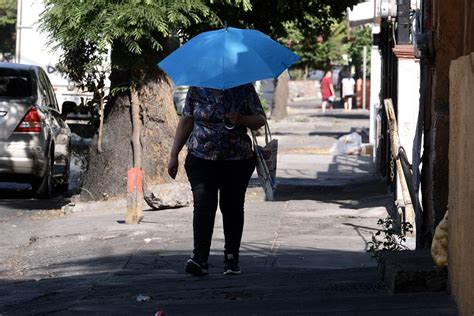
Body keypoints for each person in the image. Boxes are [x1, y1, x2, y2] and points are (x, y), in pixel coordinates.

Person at [167, 83, 266, 276]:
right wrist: (173, 155)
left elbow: (260, 120)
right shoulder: (197, 88)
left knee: (232, 207)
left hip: (237, 160)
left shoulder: (244, 87)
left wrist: (241, 119)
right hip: (201, 158)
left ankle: (231, 259)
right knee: (204, 206)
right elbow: (186, 120)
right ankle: (200, 259)